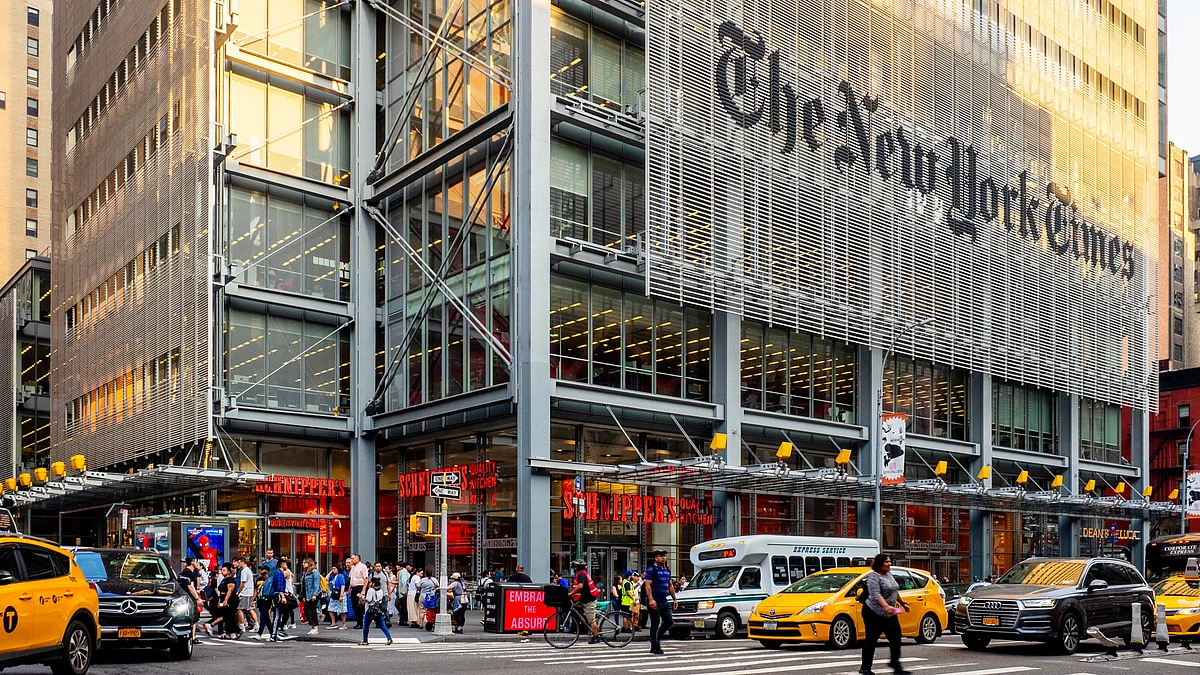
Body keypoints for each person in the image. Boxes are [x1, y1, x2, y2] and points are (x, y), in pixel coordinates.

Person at [860, 553, 911, 675]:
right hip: (873, 612)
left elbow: (894, 590)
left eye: (889, 562)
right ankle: (865, 668)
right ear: (880, 563)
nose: (889, 564)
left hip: (890, 613)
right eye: (887, 562)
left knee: (896, 638)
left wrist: (903, 603)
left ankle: (895, 665)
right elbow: (876, 595)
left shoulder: (889, 574)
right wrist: (886, 606)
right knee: (871, 640)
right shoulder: (873, 577)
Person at [643, 550, 677, 655]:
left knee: (669, 621)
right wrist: (651, 599)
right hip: (655, 600)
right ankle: (654, 645)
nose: (663, 558)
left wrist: (675, 599)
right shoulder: (652, 570)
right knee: (655, 623)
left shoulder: (667, 570)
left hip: (664, 600)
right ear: (655, 558)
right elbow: (647, 585)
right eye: (660, 556)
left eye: (664, 556)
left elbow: (670, 585)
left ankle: (657, 638)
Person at [568, 559, 601, 644]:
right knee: (577, 610)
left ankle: (596, 637)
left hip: (588, 601)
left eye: (574, 567)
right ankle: (584, 628)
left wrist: (571, 593)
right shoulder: (582, 573)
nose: (573, 568)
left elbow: (580, 586)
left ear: (576, 567)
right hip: (583, 600)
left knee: (591, 620)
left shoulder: (581, 574)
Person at [359, 577, 394, 645]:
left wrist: (362, 598)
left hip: (370, 610)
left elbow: (368, 599)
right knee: (382, 625)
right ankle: (389, 638)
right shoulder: (380, 590)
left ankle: (365, 640)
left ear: (373, 583)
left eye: (371, 582)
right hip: (378, 610)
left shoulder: (371, 590)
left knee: (366, 626)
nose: (369, 584)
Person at [217, 562, 241, 639]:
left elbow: (230, 590)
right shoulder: (223, 580)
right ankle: (228, 633)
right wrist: (220, 600)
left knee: (229, 616)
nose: (222, 572)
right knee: (226, 616)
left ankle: (237, 630)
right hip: (223, 597)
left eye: (224, 570)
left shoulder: (230, 580)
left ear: (228, 572)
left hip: (231, 599)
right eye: (222, 570)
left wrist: (226, 600)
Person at [348, 553, 370, 629]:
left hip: (360, 587)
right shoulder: (353, 567)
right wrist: (349, 589)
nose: (351, 560)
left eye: (353, 558)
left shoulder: (362, 566)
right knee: (354, 606)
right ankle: (358, 621)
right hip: (353, 588)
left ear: (357, 559)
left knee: (359, 606)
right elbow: (351, 579)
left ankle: (360, 623)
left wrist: (363, 590)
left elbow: (366, 579)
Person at [236, 558, 257, 631]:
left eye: (239, 563)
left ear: (242, 562)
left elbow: (243, 583)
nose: (238, 564)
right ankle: (256, 624)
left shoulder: (244, 571)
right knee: (249, 609)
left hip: (245, 592)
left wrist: (238, 592)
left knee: (239, 608)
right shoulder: (248, 570)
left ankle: (242, 625)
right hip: (249, 592)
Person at [326, 564, 348, 630]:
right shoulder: (334, 576)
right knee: (330, 609)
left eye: (334, 569)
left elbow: (342, 585)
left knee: (342, 610)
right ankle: (333, 623)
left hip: (339, 593)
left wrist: (341, 595)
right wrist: (330, 572)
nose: (333, 570)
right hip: (334, 594)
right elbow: (326, 578)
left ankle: (344, 624)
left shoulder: (340, 576)